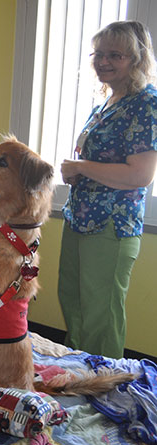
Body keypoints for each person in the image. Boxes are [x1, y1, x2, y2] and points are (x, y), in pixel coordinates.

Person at [59, 20, 157, 359]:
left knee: (101, 313)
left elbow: (140, 175)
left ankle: (102, 384)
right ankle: (76, 372)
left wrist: (82, 168)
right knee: (72, 300)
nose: (103, 62)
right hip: (79, 218)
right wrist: (75, 172)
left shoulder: (145, 104)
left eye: (114, 55)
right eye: (98, 54)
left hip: (111, 226)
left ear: (137, 59)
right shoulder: (107, 102)